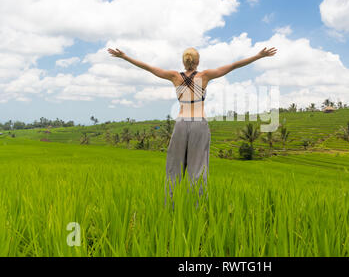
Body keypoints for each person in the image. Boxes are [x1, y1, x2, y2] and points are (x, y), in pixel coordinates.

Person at [107, 46, 277, 203]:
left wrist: (125, 57)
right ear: (198, 62)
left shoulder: (174, 76)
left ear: (184, 62)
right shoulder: (205, 76)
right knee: (198, 168)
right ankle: (197, 206)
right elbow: (233, 66)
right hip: (198, 124)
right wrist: (258, 56)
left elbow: (149, 68)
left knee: (174, 167)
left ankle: (171, 206)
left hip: (181, 124)